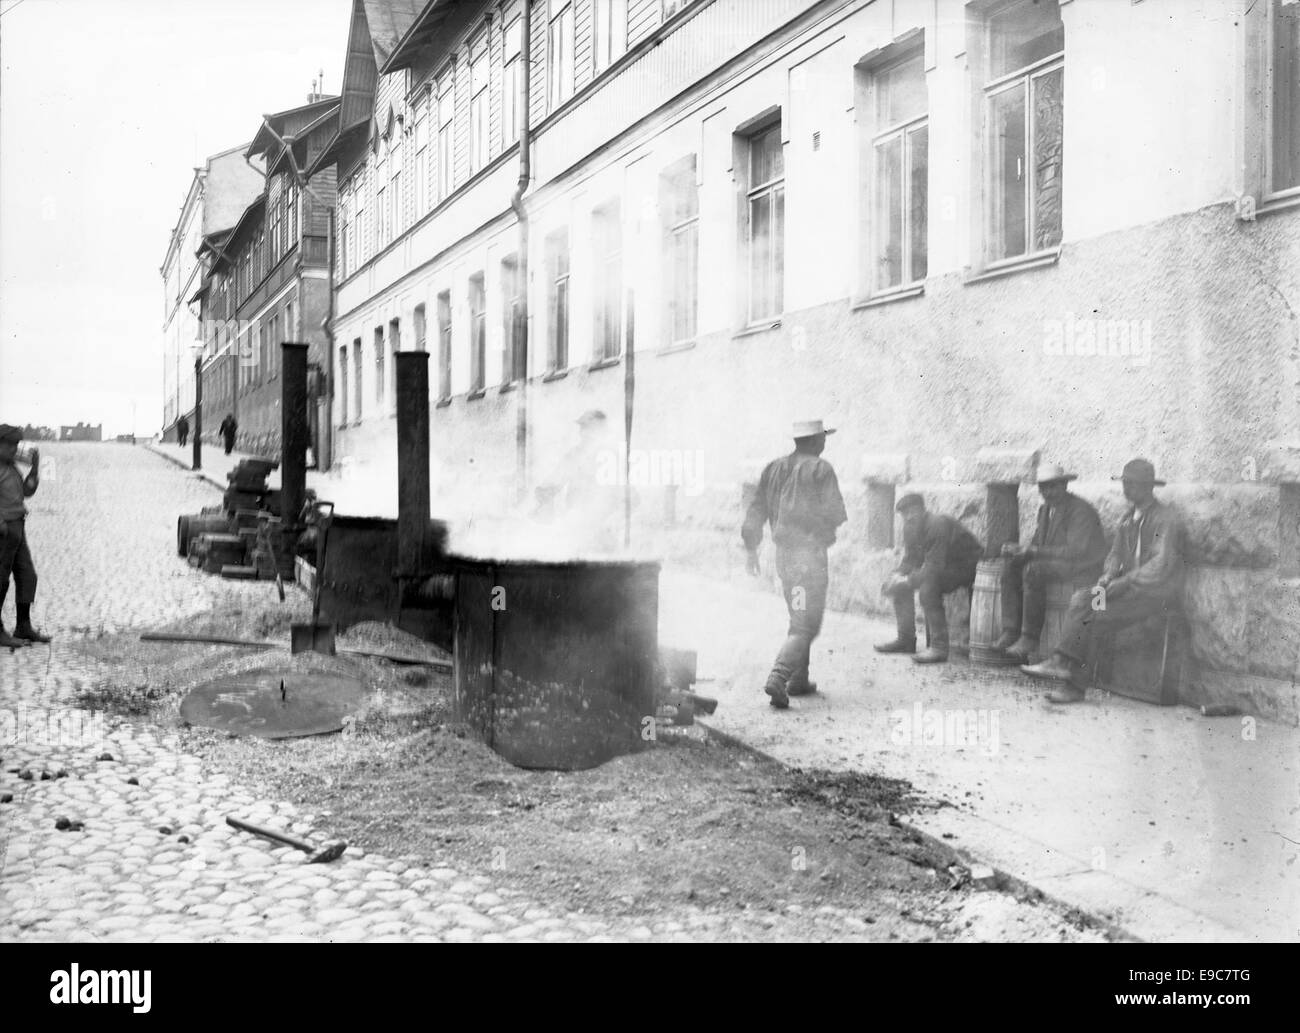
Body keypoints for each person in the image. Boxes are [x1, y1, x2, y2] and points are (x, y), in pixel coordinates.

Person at [1020, 458, 1186, 703]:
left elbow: (1160, 566)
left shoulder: (1164, 519)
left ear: (1148, 487)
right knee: (1084, 598)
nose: (1126, 489)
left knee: (1095, 619)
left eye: (1132, 484)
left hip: (1154, 595)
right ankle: (1060, 660)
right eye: (1125, 483)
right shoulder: (1128, 518)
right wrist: (1108, 575)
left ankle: (1072, 686)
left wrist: (1125, 581)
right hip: (1126, 590)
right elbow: (1115, 554)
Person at [742, 419, 848, 709]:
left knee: (798, 617)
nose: (825, 443)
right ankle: (779, 676)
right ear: (814, 441)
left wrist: (751, 550)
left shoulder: (773, 468)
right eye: (822, 439)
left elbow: (755, 512)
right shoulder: (820, 469)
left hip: (785, 559)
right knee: (805, 626)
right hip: (809, 559)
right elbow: (836, 513)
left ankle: (798, 680)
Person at [994, 463, 1108, 661]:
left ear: (1064, 486)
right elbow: (1038, 543)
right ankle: (1010, 630)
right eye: (1044, 488)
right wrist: (1019, 551)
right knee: (1011, 565)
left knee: (1033, 570)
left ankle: (1029, 637)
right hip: (1060, 563)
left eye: (1053, 487)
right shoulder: (1045, 510)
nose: (1048, 492)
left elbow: (1077, 551)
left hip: (1083, 567)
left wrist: (1034, 551)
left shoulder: (1080, 511)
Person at [875, 493, 982, 664]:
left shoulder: (936, 524)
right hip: (945, 566)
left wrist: (908, 580)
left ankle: (939, 648)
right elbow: (911, 559)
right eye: (905, 514)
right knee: (898, 584)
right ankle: (906, 640)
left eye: (913, 512)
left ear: (922, 510)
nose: (909, 517)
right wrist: (896, 576)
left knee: (928, 588)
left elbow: (933, 568)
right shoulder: (909, 527)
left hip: (969, 566)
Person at [0, 424, 51, 648]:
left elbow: (27, 491)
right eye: (8, 445)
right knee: (0, 581)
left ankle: (23, 625)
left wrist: (35, 469)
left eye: (15, 445)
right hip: (3, 529)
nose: (14, 449)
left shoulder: (11, 468)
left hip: (17, 528)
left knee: (27, 575)